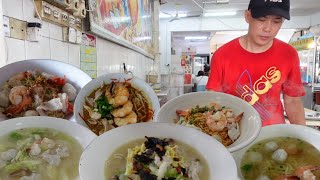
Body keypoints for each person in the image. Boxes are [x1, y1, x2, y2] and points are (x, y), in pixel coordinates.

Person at [206, 0, 306, 126]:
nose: (268, 28)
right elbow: (214, 100)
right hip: (235, 134)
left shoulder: (289, 54)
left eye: (276, 21)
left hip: (273, 132)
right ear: (248, 16)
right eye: (261, 19)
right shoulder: (222, 55)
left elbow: (293, 101)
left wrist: (304, 138)